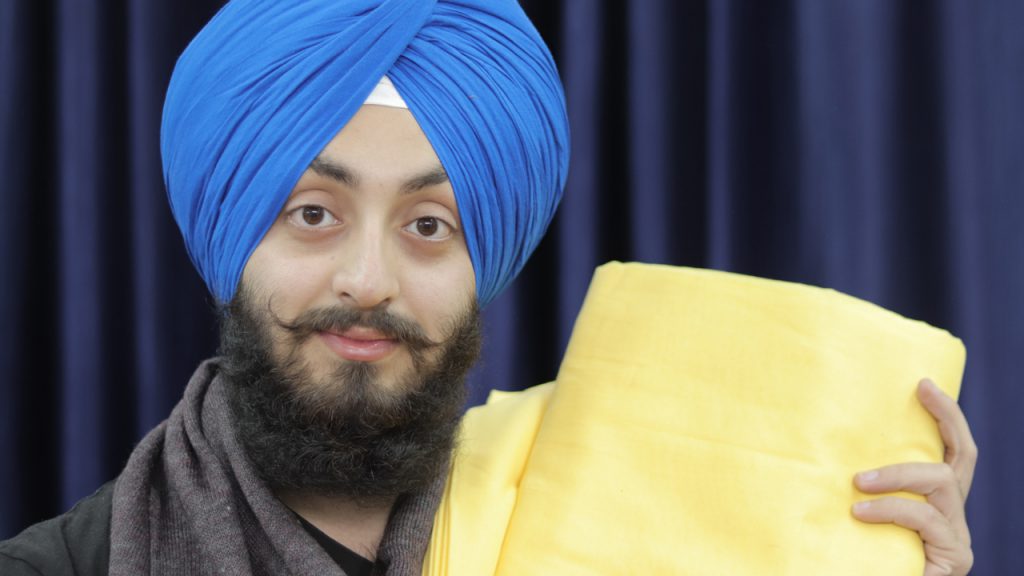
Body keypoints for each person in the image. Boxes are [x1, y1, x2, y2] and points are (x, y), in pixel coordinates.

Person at [0, 1, 975, 575]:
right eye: (312, 213)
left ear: (486, 262)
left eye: (429, 226)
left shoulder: (644, 523)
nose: (368, 280)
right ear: (229, 238)